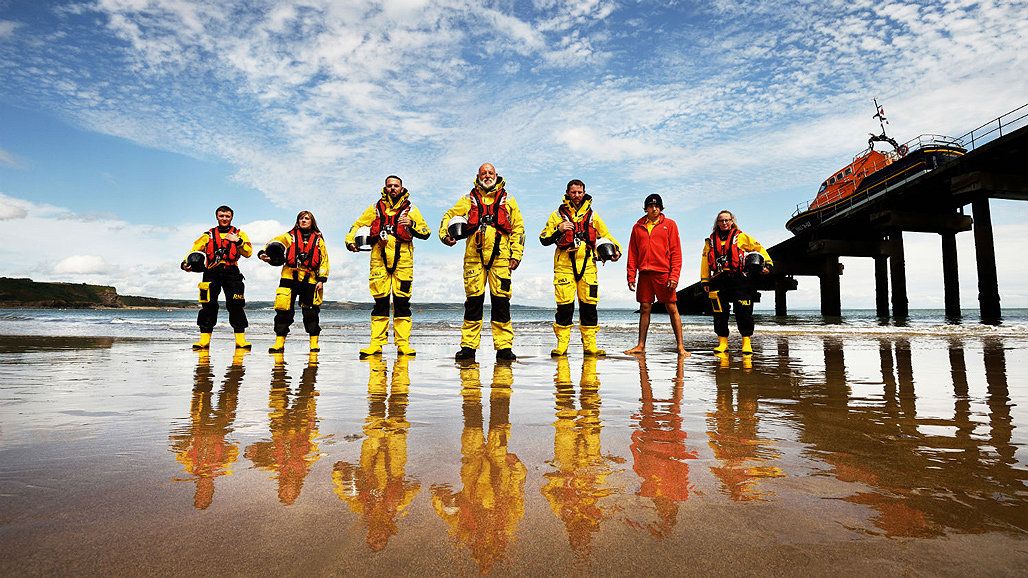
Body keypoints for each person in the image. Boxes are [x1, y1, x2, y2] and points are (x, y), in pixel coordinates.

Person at [440, 163, 525, 361]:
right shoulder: (468, 199)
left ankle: (504, 348)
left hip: (501, 258)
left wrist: (516, 255)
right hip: (474, 258)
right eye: (483, 173)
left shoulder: (509, 200)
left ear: (496, 175)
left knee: (501, 303)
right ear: (478, 176)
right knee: (473, 304)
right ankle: (468, 347)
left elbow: (518, 229)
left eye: (490, 173)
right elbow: (449, 216)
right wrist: (445, 235)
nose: (487, 176)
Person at [346, 176, 432, 357]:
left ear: (402, 188)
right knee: (380, 303)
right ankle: (376, 344)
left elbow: (426, 232)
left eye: (396, 186)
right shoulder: (375, 209)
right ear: (385, 188)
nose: (393, 188)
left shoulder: (411, 209)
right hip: (379, 260)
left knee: (402, 303)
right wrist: (349, 241)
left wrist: (412, 224)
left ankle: (403, 345)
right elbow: (358, 225)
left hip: (403, 262)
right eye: (389, 186)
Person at [539, 179, 621, 356]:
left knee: (589, 307)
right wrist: (559, 229)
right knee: (564, 307)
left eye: (580, 192)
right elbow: (544, 238)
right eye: (574, 192)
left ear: (584, 193)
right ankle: (562, 346)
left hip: (588, 266)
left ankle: (590, 346)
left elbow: (606, 236)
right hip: (564, 266)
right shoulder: (556, 215)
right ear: (567, 193)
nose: (577, 196)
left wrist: (617, 250)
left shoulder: (593, 216)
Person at [624, 194, 688, 356]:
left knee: (671, 307)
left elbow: (676, 252)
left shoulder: (670, 225)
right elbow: (632, 253)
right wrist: (631, 275)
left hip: (663, 273)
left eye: (657, 206)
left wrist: (674, 276)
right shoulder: (637, 227)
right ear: (646, 208)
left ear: (661, 208)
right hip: (644, 274)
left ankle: (680, 346)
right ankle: (640, 345)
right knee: (644, 307)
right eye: (651, 206)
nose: (654, 208)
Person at [181, 205, 253, 350]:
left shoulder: (240, 234)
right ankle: (204, 341)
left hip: (232, 272)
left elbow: (248, 252)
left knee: (236, 305)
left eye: (227, 216)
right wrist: (184, 263)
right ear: (217, 217)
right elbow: (194, 251)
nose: (224, 219)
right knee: (208, 305)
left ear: (231, 217)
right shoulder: (207, 235)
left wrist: (237, 241)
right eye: (221, 216)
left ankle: (241, 341)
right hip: (211, 273)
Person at [700, 210, 772, 354]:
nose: (725, 223)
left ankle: (746, 343)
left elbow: (759, 248)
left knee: (744, 311)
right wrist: (705, 281)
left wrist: (768, 264)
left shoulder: (741, 237)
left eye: (727, 220)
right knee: (719, 312)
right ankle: (722, 343)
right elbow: (704, 262)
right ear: (717, 223)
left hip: (739, 279)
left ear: (732, 221)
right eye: (721, 221)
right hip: (718, 279)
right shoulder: (710, 241)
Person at [259, 211, 330, 353]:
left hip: (310, 278)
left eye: (307, 218)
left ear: (312, 222)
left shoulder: (318, 240)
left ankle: (313, 344)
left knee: (311, 312)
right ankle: (279, 343)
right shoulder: (288, 236)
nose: (304, 221)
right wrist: (263, 253)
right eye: (301, 218)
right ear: (298, 221)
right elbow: (273, 244)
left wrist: (322, 279)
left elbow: (324, 261)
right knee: (283, 311)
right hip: (289, 276)